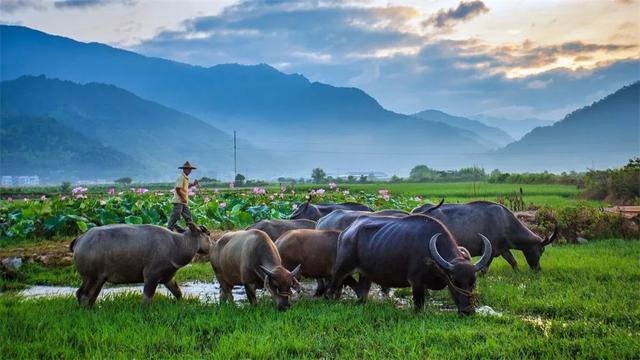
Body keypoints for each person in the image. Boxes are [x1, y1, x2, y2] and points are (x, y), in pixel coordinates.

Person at [167, 161, 199, 232]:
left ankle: (191, 229)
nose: (189, 171)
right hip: (179, 201)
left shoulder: (186, 178)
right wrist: (183, 198)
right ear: (184, 169)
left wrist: (193, 184)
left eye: (190, 169)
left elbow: (185, 187)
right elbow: (178, 189)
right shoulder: (181, 177)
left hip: (183, 201)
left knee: (188, 215)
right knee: (176, 215)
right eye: (188, 169)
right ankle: (170, 228)